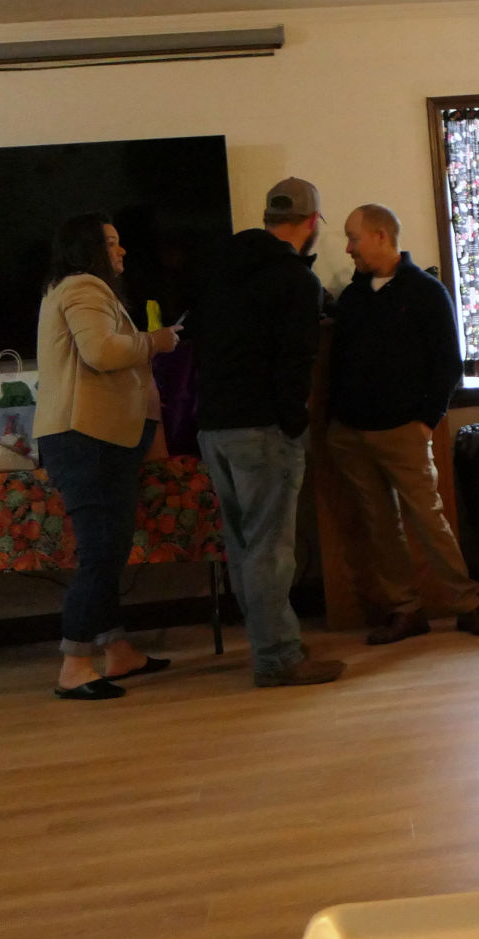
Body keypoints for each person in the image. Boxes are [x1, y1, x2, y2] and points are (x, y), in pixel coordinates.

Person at [192, 178, 345, 688]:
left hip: (214, 426)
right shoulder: (295, 280)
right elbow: (295, 364)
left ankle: (269, 643)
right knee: (271, 549)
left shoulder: (217, 269)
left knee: (243, 547)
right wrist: (294, 423)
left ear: (266, 218)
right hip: (263, 428)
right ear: (311, 223)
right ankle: (278, 657)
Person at [326, 203, 479, 644]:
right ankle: (405, 610)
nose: (348, 248)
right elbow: (338, 363)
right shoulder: (352, 298)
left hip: (404, 429)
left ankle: (467, 605)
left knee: (428, 519)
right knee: (379, 525)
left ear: (381, 236)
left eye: (354, 238)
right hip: (352, 431)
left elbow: (447, 363)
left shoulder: (426, 292)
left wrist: (426, 421)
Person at [33, 211, 181, 700]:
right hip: (87, 438)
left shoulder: (70, 288)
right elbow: (101, 352)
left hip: (92, 438)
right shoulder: (84, 287)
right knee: (101, 552)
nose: (122, 251)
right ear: (89, 249)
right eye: (112, 242)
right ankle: (75, 664)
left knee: (110, 548)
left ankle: (117, 650)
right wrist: (155, 342)